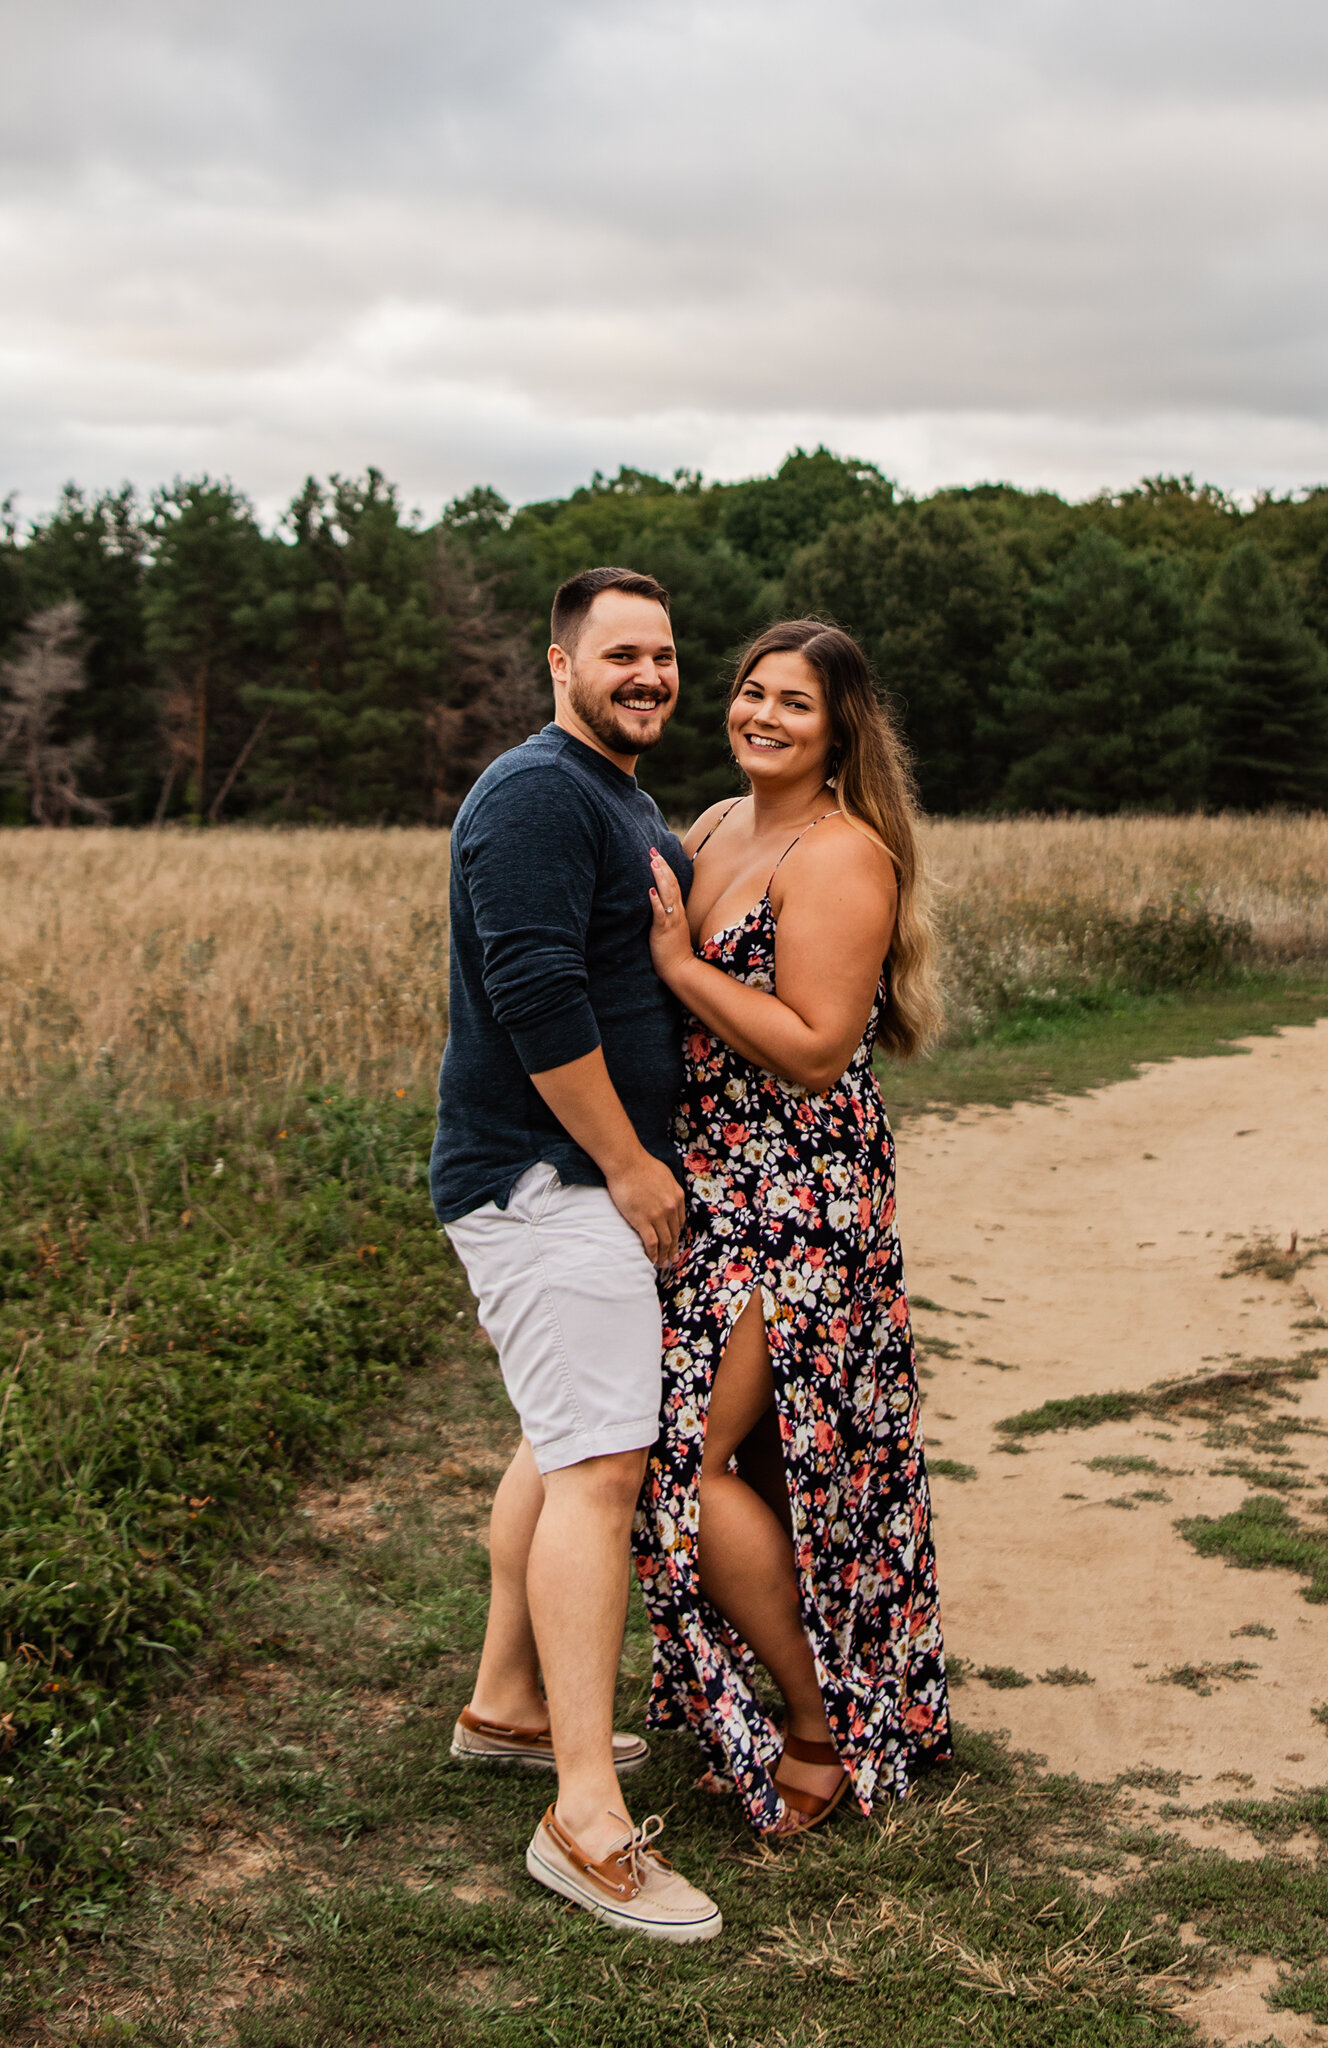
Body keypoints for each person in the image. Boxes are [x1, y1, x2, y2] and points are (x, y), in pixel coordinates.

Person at [429, 565, 721, 1942]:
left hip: (569, 1180)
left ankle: (510, 1709)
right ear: (561, 664)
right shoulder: (539, 792)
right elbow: (532, 990)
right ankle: (586, 1822)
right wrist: (623, 1161)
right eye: (620, 654)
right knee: (602, 1468)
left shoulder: (620, 795)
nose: (648, 675)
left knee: (560, 1443)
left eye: (663, 655)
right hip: (546, 1180)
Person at [635, 618, 950, 1836]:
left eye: (795, 704)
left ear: (839, 730)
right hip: (708, 1184)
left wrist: (680, 966)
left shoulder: (840, 855)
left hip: (800, 1198)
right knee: (767, 1461)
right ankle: (823, 1703)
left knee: (679, 1460)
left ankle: (824, 1726)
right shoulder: (714, 824)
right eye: (751, 692)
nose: (762, 715)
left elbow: (819, 1051)